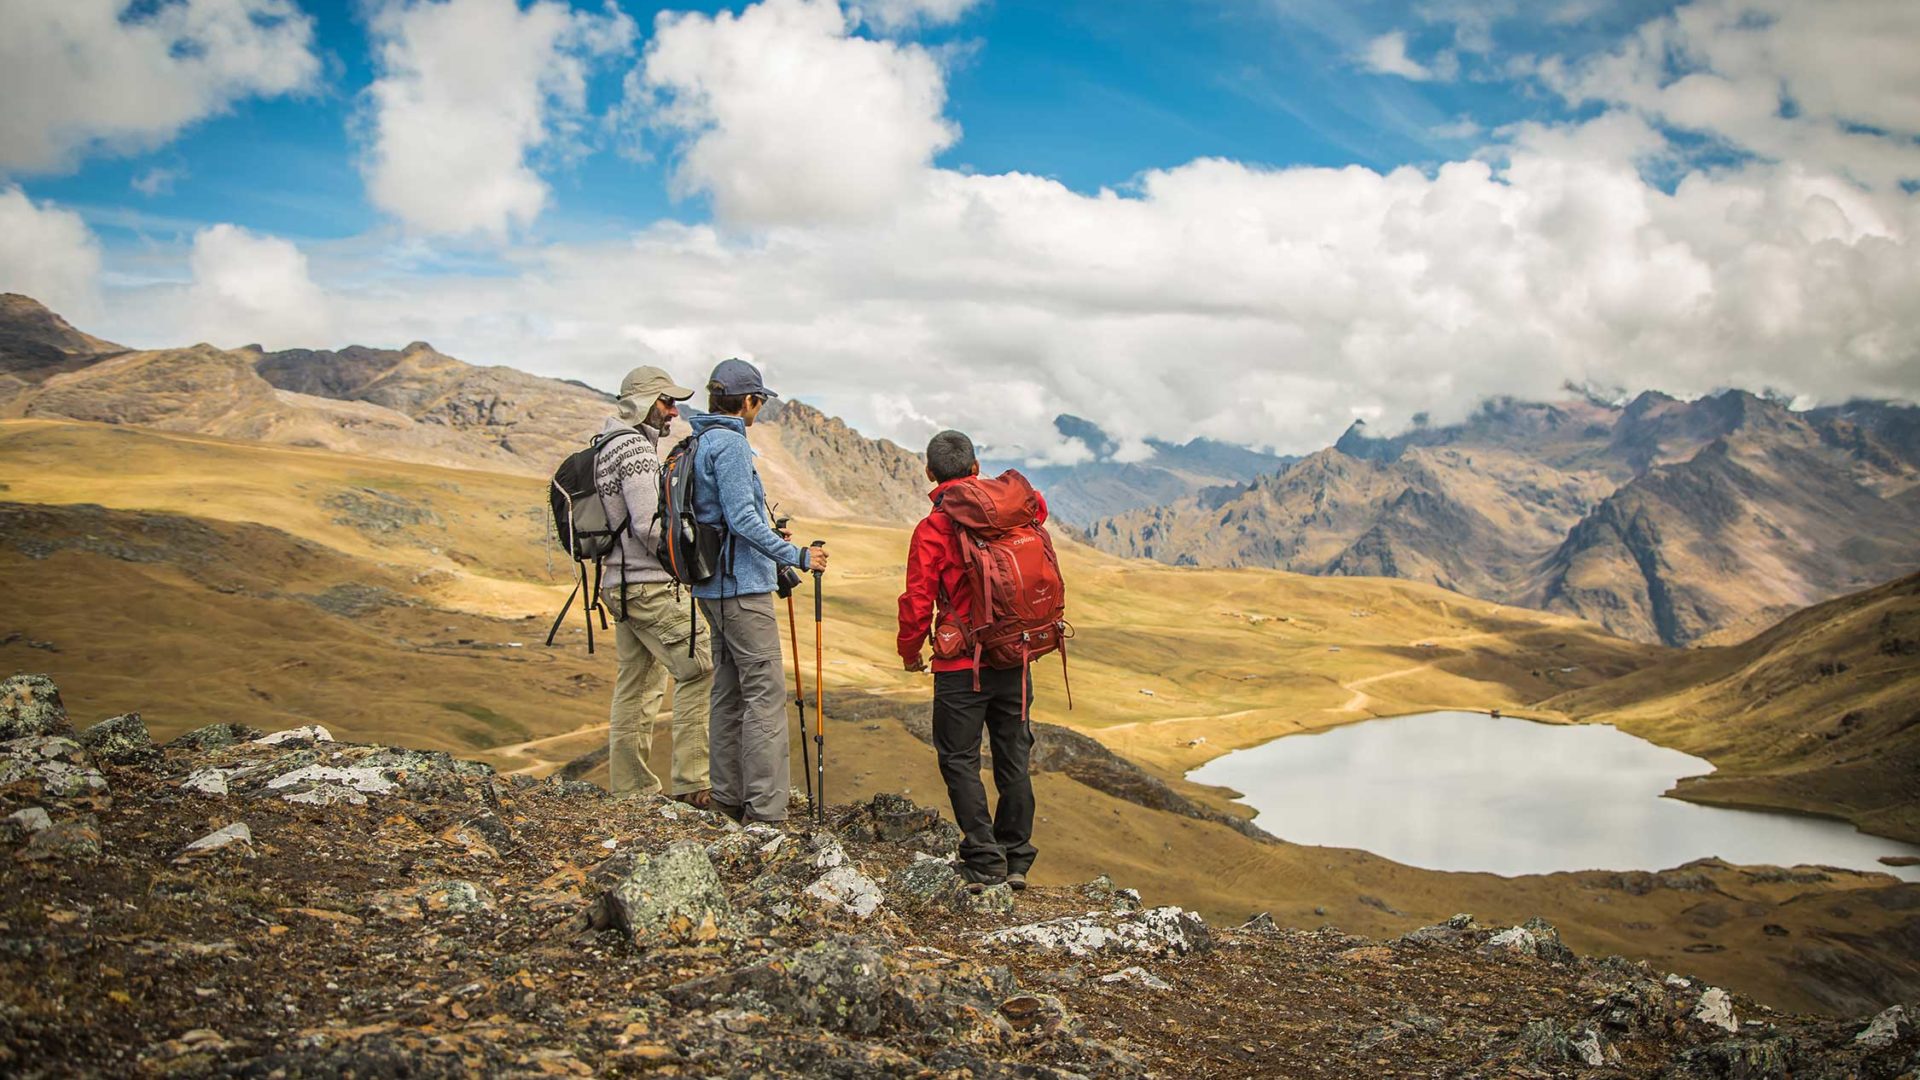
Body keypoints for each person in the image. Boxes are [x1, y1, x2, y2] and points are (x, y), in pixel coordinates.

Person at [897, 430, 1043, 891]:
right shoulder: (1015, 511)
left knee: (960, 760)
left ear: (929, 473)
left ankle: (984, 859)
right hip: (1015, 654)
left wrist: (910, 651)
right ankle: (1016, 858)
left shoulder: (932, 529)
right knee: (1013, 758)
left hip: (961, 665)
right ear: (976, 467)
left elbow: (917, 599)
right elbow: (1038, 510)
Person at [687, 358, 828, 824]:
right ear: (748, 400)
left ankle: (727, 798)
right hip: (742, 590)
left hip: (711, 588)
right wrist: (798, 556)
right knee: (765, 696)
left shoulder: (698, 441)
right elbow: (741, 520)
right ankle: (766, 811)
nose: (759, 407)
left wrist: (771, 541)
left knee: (728, 693)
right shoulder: (729, 444)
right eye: (759, 400)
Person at [596, 366, 713, 806]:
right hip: (648, 585)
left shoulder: (605, 444)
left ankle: (631, 789)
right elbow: (650, 526)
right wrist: (697, 546)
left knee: (638, 684)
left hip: (619, 583)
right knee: (702, 666)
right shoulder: (636, 450)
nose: (673, 411)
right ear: (643, 401)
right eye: (666, 402)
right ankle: (694, 782)